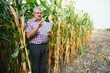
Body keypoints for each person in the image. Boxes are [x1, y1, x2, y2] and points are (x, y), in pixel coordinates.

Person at [25, 7, 53, 73]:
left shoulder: (44, 23)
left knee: (43, 66)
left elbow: (47, 35)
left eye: (40, 13)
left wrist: (50, 34)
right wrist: (37, 27)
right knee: (35, 67)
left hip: (44, 46)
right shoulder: (30, 22)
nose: (39, 14)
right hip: (35, 47)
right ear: (34, 14)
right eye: (37, 13)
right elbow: (28, 36)